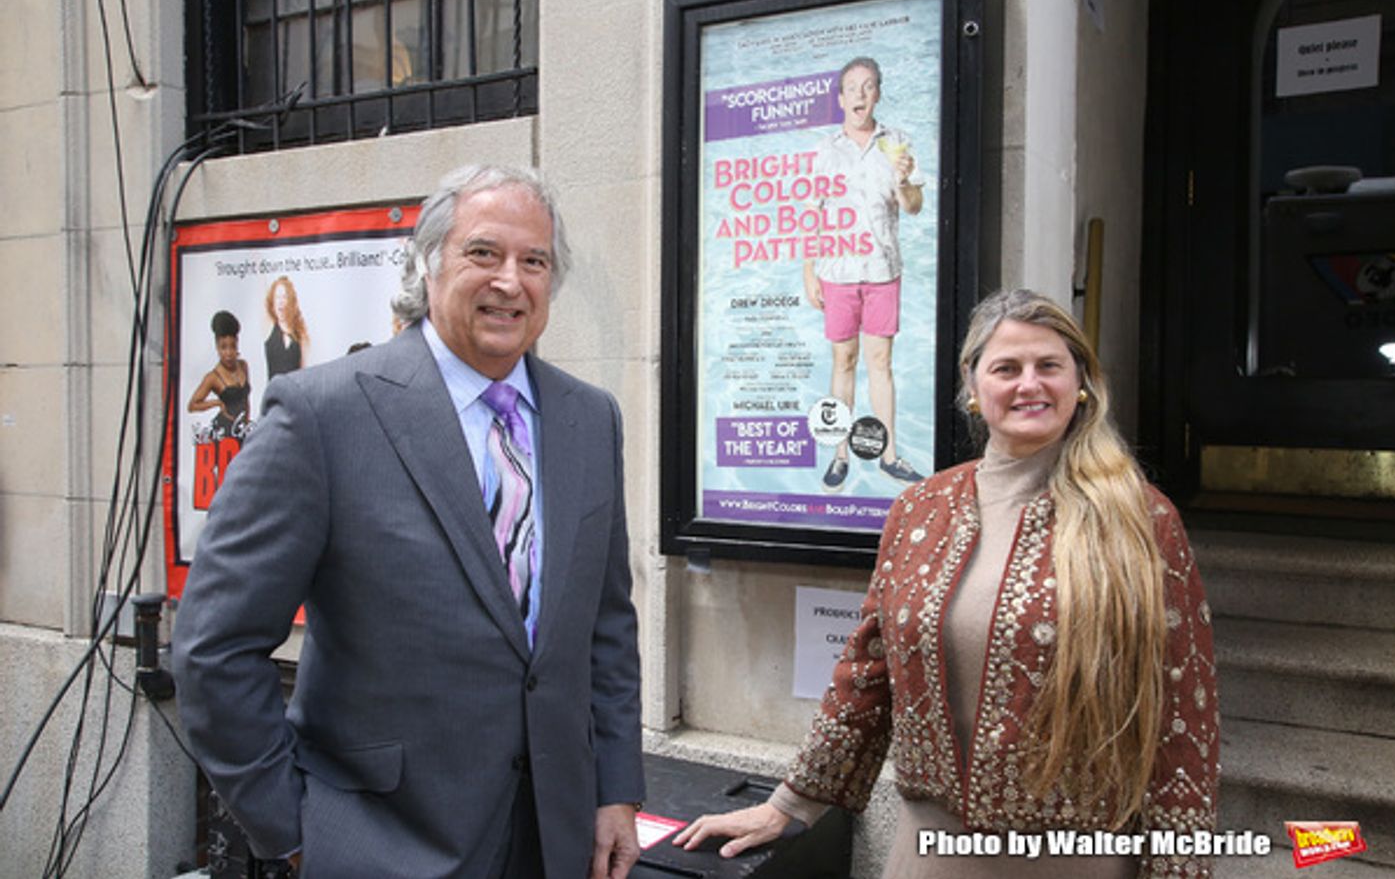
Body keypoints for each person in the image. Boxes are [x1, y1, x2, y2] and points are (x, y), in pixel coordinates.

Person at [173, 165, 645, 879]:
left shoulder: (589, 418)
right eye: (483, 253)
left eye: (534, 261)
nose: (510, 281)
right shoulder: (322, 415)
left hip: (555, 840)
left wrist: (614, 790)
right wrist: (293, 829)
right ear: (428, 265)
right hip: (379, 846)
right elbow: (214, 646)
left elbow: (606, 628)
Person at [675, 289, 1219, 877]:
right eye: (1007, 368)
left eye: (1049, 366)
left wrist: (1179, 866)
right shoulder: (920, 511)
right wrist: (788, 806)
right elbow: (867, 673)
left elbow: (1179, 716)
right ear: (973, 386)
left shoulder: (1138, 518)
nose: (1029, 384)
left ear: (1080, 382)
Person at [807, 56, 926, 492]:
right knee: (844, 362)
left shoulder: (896, 143)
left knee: (881, 363)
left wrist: (904, 181)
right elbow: (812, 215)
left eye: (869, 85)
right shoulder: (824, 151)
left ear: (878, 93)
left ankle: (889, 455)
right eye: (852, 87)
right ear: (840, 98)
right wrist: (809, 273)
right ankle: (840, 455)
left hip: (882, 270)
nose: (860, 94)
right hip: (837, 271)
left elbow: (913, 208)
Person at [186, 310, 251, 440]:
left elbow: (246, 400)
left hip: (241, 429)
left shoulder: (243, 366)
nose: (228, 353)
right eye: (223, 347)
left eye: (232, 347)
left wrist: (246, 423)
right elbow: (192, 405)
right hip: (223, 431)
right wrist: (217, 403)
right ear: (217, 347)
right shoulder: (213, 377)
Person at [264, 275, 310, 377]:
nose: (280, 301)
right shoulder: (268, 328)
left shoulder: (300, 334)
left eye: (284, 297)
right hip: (275, 391)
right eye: (277, 297)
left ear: (290, 301)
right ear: (273, 302)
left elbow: (305, 370)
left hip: (294, 391)